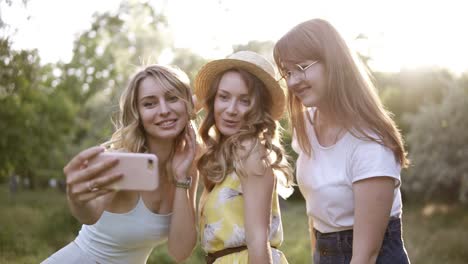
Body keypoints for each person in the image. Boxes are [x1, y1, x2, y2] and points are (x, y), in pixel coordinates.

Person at [273, 19, 411, 264]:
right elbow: (316, 213)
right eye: (288, 72)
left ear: (334, 64)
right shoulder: (306, 125)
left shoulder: (371, 142)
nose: (293, 81)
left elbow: (365, 256)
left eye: (302, 67)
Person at [42, 65, 198, 264]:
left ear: (186, 104)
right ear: (138, 114)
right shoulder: (122, 160)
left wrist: (182, 178)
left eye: (173, 98)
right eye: (150, 104)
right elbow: (90, 213)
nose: (164, 110)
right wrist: (77, 199)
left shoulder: (188, 167)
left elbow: (180, 252)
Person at [195, 51, 293, 264]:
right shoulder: (227, 155)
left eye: (244, 100)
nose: (231, 110)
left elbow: (258, 240)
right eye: (223, 97)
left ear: (258, 107)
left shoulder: (249, 151)